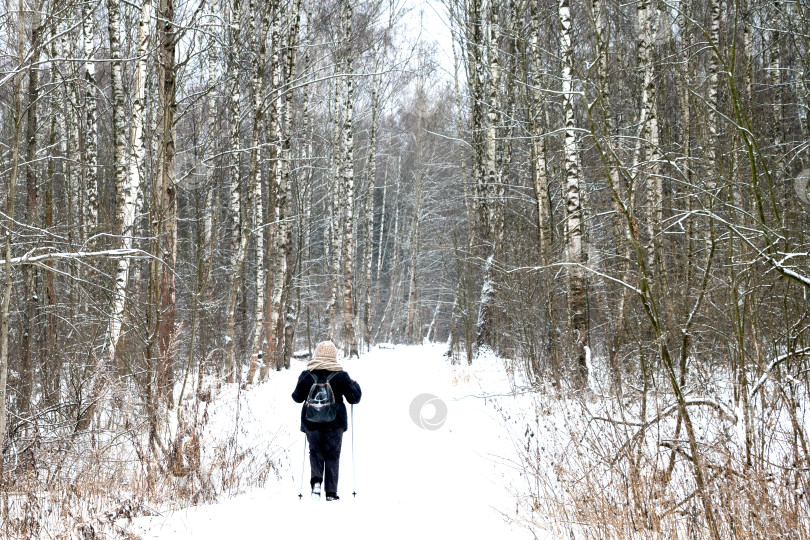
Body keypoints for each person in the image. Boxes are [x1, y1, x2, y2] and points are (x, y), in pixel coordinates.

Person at [292, 340, 361, 501]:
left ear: (317, 354)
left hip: (311, 422)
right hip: (335, 423)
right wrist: (354, 385)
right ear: (334, 356)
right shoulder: (341, 375)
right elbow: (354, 399)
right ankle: (331, 493)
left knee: (315, 453)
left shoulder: (306, 374)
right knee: (333, 455)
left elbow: (296, 398)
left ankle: (316, 483)